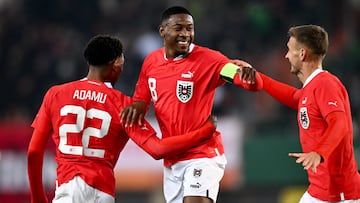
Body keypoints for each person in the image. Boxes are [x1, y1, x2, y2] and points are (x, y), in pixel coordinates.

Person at [27, 34, 219, 203]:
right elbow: (158, 149)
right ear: (117, 63)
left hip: (67, 189)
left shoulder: (55, 94)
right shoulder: (123, 105)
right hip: (102, 193)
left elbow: (34, 152)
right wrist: (204, 131)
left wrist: (37, 198)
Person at [120, 6, 263, 203]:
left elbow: (233, 74)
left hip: (203, 154)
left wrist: (244, 76)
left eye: (189, 28)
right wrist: (137, 105)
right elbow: (142, 99)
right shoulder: (151, 62)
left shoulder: (209, 59)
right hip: (173, 161)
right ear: (163, 31)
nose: (185, 34)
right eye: (178, 28)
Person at [258, 25, 360, 202]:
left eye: (289, 50)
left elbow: (340, 122)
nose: (286, 56)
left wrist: (319, 152)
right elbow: (294, 97)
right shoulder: (311, 88)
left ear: (302, 54)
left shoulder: (325, 84)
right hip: (319, 191)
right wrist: (258, 78)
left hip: (339, 194)